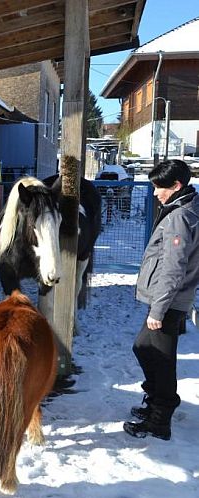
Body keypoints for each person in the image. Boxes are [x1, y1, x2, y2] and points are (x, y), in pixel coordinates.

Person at [124, 159, 199, 440]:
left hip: (169, 301)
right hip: (170, 300)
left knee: (160, 358)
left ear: (176, 186)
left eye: (159, 187)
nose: (156, 193)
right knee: (143, 347)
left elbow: (173, 268)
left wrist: (158, 310)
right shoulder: (186, 207)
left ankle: (159, 421)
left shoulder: (179, 217)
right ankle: (157, 401)